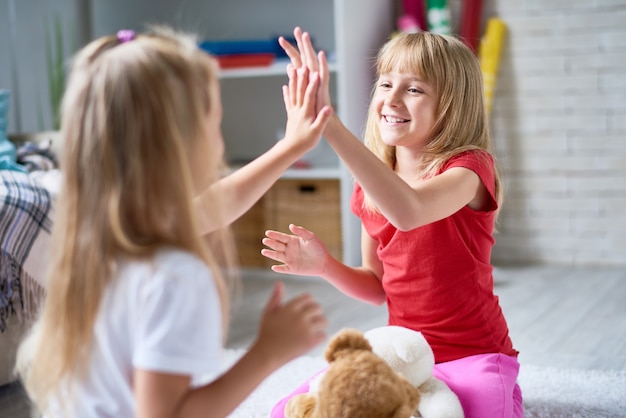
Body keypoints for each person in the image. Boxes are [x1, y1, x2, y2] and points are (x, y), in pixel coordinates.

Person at [16, 26, 332, 417]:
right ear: (180, 144)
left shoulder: (93, 241)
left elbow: (218, 203)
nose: (220, 141)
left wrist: (292, 146)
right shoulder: (175, 275)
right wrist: (266, 354)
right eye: (215, 122)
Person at [261, 28, 523, 418]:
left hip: (475, 352)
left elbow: (409, 211)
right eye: (385, 83)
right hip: (404, 353)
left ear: (453, 105)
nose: (391, 99)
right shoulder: (372, 185)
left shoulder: (470, 168)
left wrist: (328, 123)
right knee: (294, 409)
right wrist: (324, 266)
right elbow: (376, 286)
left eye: (414, 89)